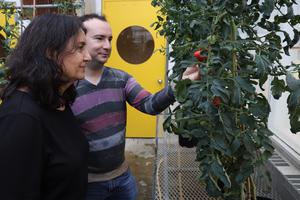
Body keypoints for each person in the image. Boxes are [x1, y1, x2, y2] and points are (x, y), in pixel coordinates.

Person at [71, 14, 200, 200]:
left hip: (122, 178)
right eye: (99, 38)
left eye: (110, 39)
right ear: (81, 41)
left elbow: (150, 104)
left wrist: (180, 84)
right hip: (88, 185)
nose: (107, 46)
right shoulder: (68, 86)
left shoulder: (121, 79)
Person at [0, 13, 91, 200]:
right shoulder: (21, 118)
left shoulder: (56, 101)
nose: (88, 56)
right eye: (80, 48)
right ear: (50, 52)